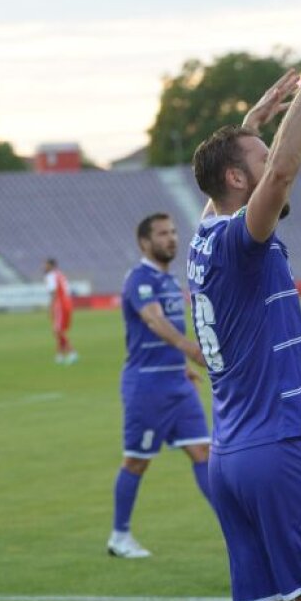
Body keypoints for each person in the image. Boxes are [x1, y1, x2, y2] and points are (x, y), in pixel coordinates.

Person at [187, 0, 301, 601]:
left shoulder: (203, 240)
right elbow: (282, 174)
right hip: (280, 451)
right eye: (257, 156)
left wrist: (251, 122)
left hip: (230, 460)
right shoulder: (241, 243)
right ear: (238, 182)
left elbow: (232, 177)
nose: (272, 160)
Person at [108, 212, 213, 559]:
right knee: (137, 461)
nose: (171, 239)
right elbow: (152, 320)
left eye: (173, 232)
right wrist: (189, 350)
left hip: (176, 384)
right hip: (147, 388)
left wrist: (180, 366)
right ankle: (120, 536)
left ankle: (237, 528)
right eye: (162, 234)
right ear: (144, 242)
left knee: (204, 453)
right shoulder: (140, 278)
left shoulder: (169, 281)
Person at [44, 258, 77, 364]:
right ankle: (60, 355)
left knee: (58, 330)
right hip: (67, 303)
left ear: (51, 265)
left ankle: (72, 353)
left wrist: (50, 307)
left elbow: (53, 292)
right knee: (60, 330)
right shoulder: (61, 275)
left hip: (60, 304)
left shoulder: (50, 276)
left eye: (46, 265)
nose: (44, 267)